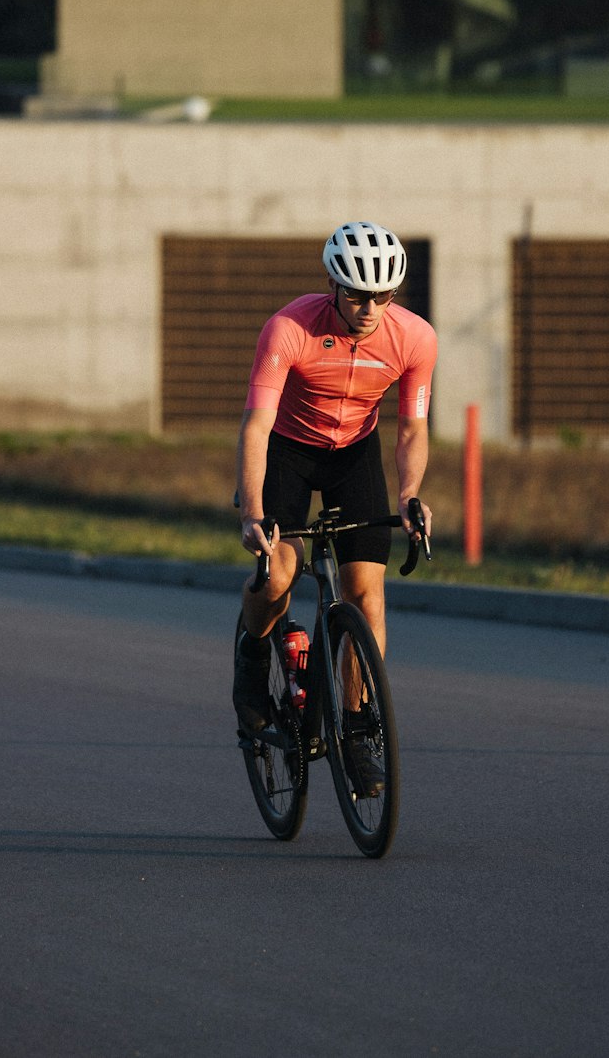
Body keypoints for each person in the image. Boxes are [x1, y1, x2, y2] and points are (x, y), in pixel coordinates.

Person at [233, 220, 437, 792]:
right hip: (288, 450)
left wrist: (409, 495)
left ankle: (357, 729)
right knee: (279, 573)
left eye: (383, 296)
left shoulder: (415, 338)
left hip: (354, 455)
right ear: (333, 284)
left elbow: (412, 429)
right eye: (356, 295)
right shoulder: (289, 328)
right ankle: (252, 659)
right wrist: (253, 511)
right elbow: (257, 424)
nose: (370, 308)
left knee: (366, 596)